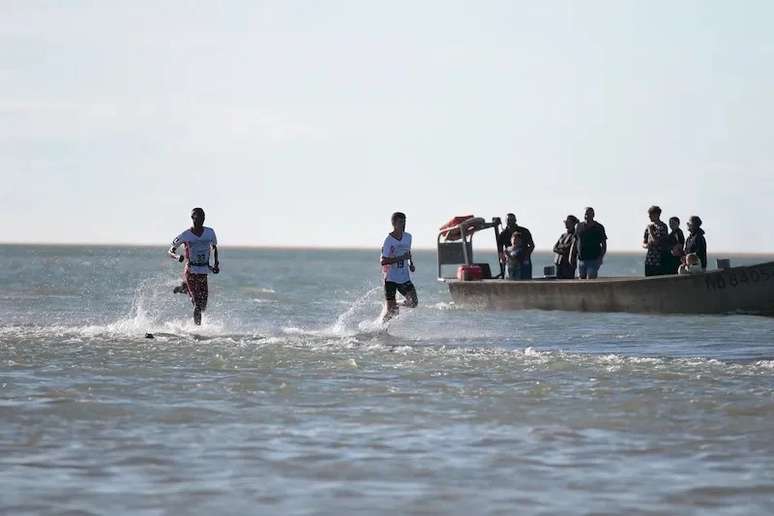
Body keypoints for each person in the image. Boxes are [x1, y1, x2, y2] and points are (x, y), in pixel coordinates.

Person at [168, 207, 219, 325]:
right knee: (197, 306)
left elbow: (214, 247)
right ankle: (197, 332)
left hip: (204, 271)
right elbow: (170, 250)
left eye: (203, 218)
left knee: (203, 307)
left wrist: (216, 263)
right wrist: (177, 257)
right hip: (191, 271)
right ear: (192, 218)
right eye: (198, 217)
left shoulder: (210, 232)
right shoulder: (185, 235)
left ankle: (185, 289)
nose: (201, 220)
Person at [381, 212, 418, 322]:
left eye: (404, 221)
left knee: (413, 303)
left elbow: (407, 251)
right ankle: (381, 330)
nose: (403, 224)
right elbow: (384, 261)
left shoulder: (408, 237)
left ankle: (396, 304)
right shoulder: (389, 240)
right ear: (394, 223)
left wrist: (411, 263)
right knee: (392, 312)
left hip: (404, 277)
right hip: (391, 278)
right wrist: (401, 258)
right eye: (400, 222)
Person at [571, 207, 607, 279]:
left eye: (589, 214)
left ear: (593, 215)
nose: (586, 216)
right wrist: (571, 256)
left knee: (590, 278)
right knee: (581, 279)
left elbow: (604, 245)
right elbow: (575, 242)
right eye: (585, 214)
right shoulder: (578, 226)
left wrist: (600, 258)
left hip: (594, 259)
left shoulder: (599, 227)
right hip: (581, 259)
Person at [498, 213, 535, 279]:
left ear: (515, 220)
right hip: (510, 262)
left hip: (523, 261)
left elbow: (532, 245)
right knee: (509, 280)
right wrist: (504, 259)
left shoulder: (524, 231)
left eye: (512, 219)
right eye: (508, 220)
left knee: (525, 280)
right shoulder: (503, 234)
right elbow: (500, 250)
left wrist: (526, 256)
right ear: (506, 221)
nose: (510, 221)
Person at [642, 205, 670, 277]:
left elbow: (657, 242)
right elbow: (643, 243)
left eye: (651, 215)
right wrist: (647, 245)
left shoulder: (663, 227)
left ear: (657, 215)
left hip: (659, 260)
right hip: (649, 260)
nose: (649, 217)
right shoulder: (648, 227)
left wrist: (651, 232)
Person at [552, 215, 578, 279]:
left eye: (568, 222)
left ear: (573, 223)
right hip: (558, 263)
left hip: (568, 265)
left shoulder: (575, 235)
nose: (566, 223)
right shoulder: (563, 235)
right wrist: (563, 247)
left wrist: (560, 247)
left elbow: (569, 248)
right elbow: (554, 248)